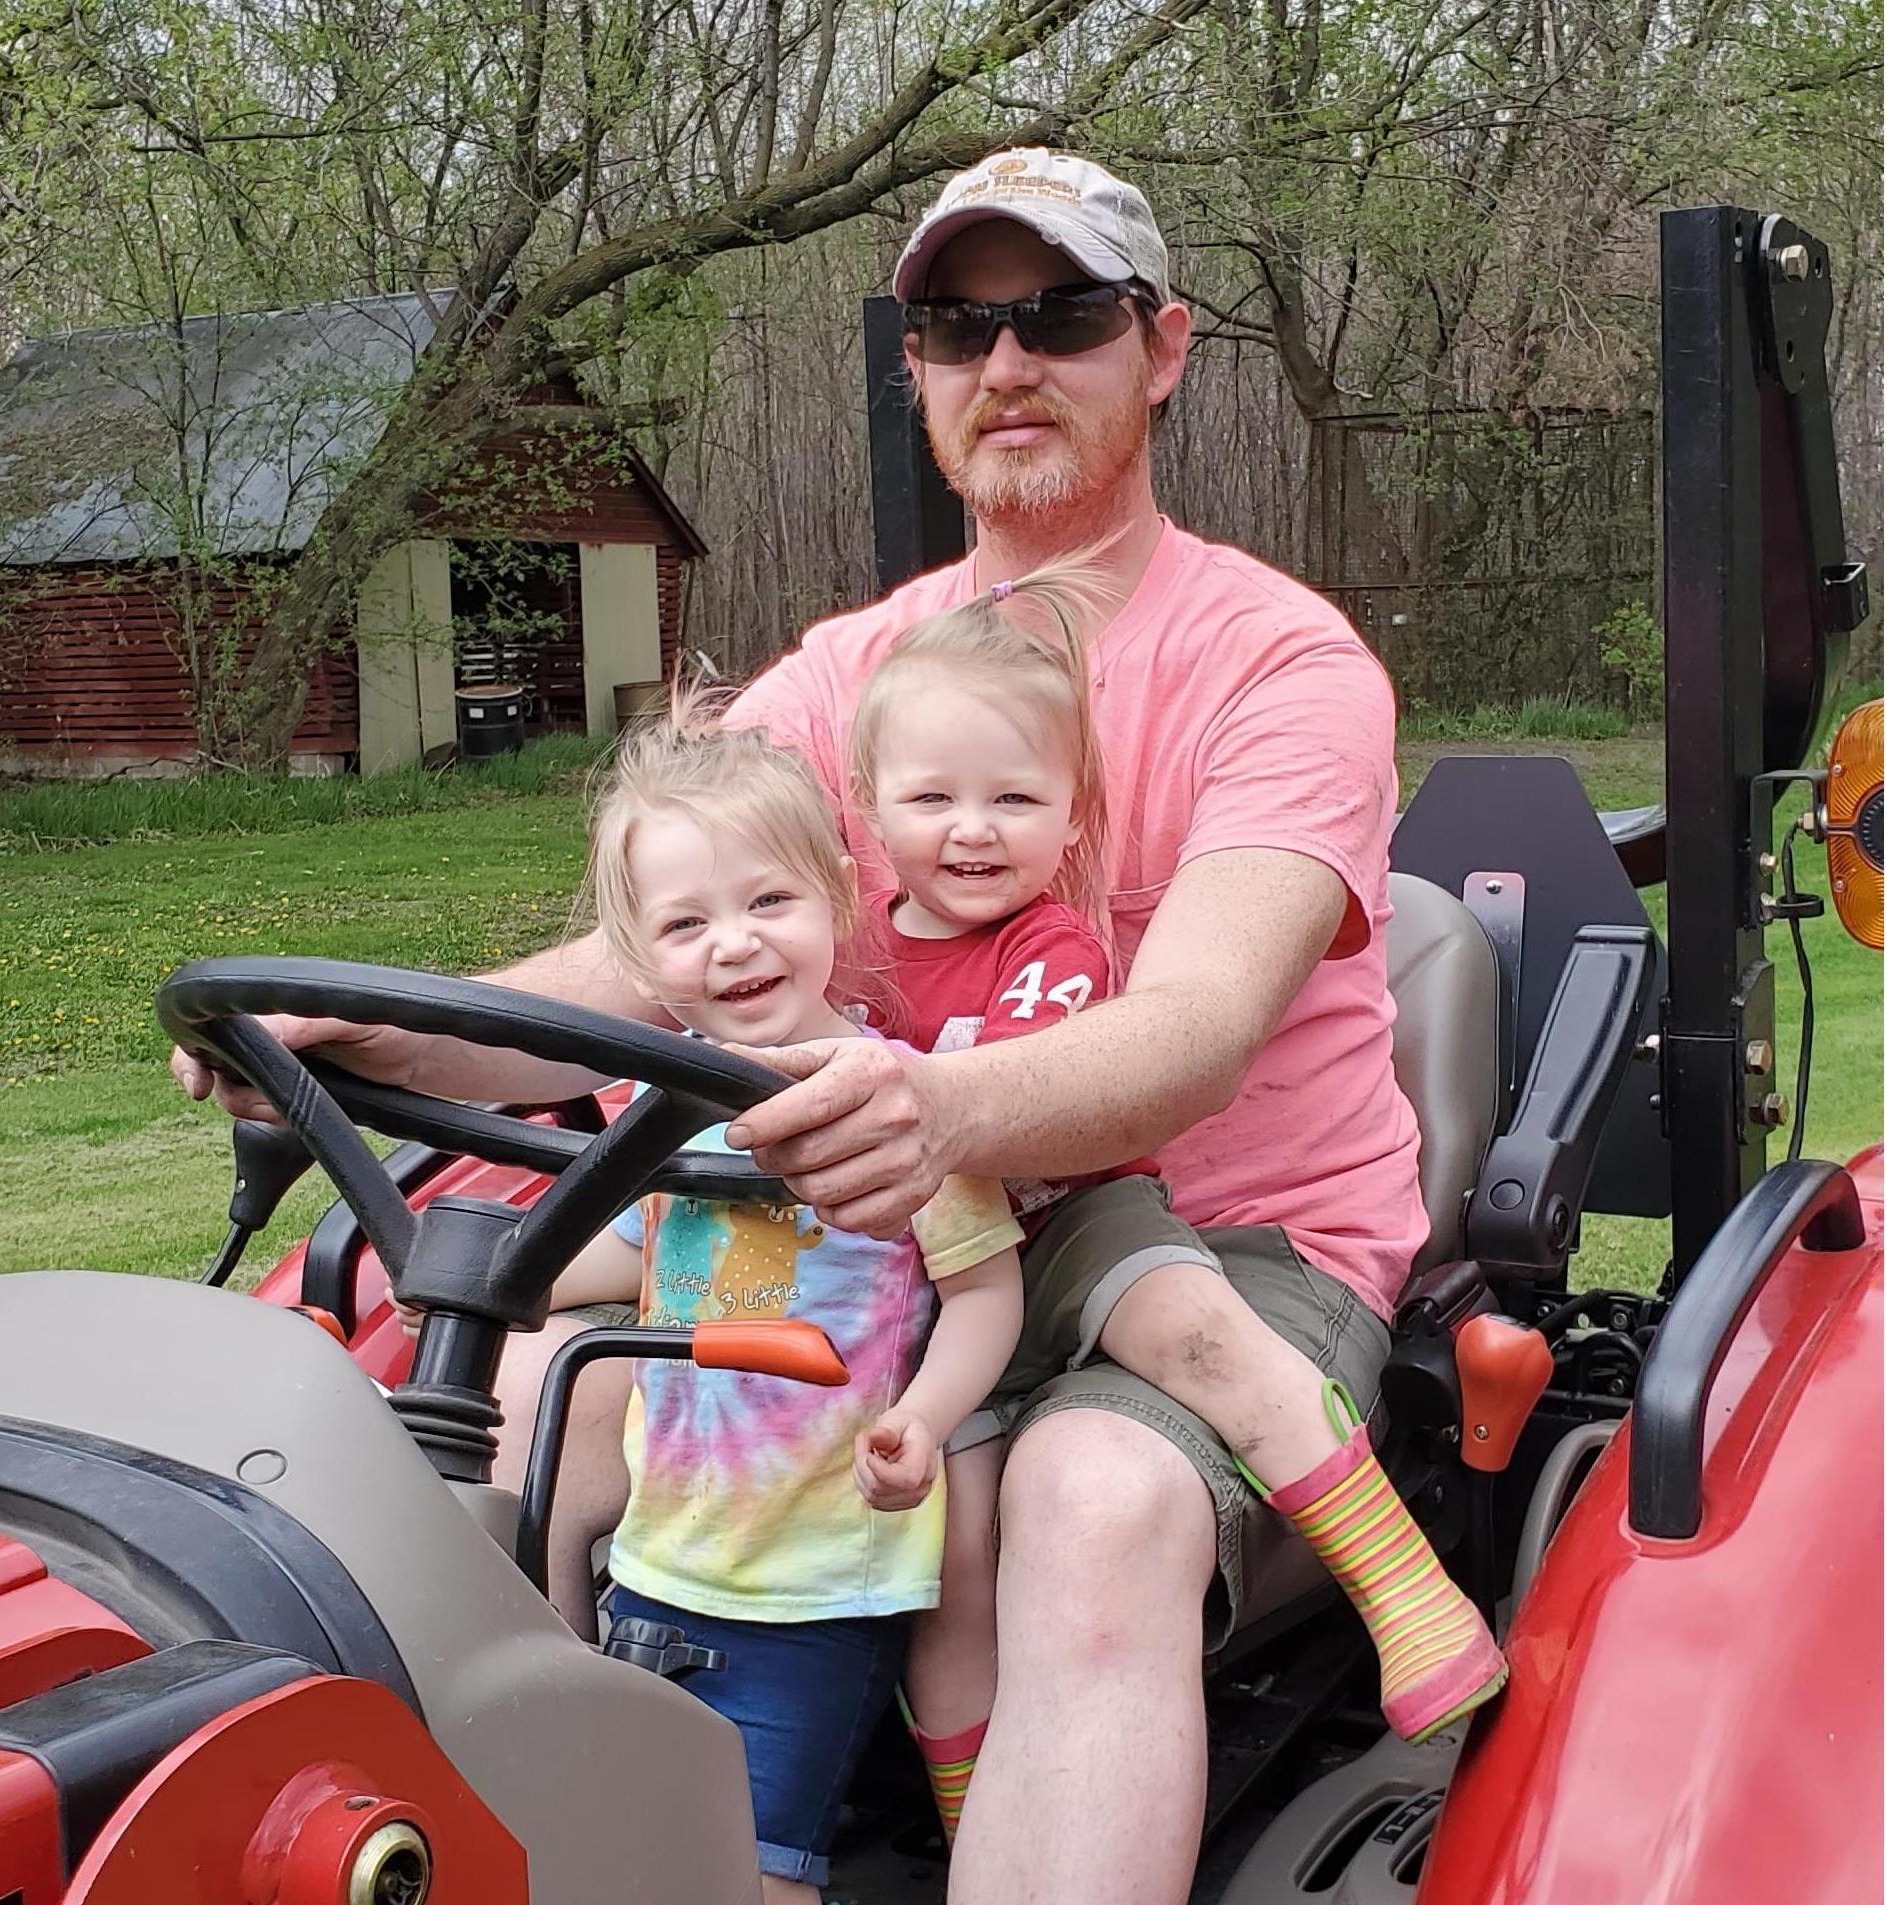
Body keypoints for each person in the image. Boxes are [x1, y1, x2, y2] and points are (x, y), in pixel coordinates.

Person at [174, 148, 1442, 1905]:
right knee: (515, 1407)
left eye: (1060, 318)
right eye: (955, 325)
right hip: (862, 1250)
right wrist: (352, 1039)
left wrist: (938, 1111)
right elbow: (649, 974)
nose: (1005, 365)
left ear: (1162, 349)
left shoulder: (1279, 666)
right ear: (916, 366)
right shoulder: (851, 677)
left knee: (1093, 1503)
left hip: (1207, 1254)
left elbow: (1202, 1028)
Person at [846, 553, 1502, 1839]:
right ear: (868, 809)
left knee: (1200, 1335)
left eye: (1014, 800)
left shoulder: (1053, 947)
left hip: (1080, 1222)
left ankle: (1403, 1590)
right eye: (934, 798)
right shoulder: (857, 961)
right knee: (949, 1562)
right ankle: (970, 1821)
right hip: (944, 1279)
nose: (974, 830)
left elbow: (1035, 1086)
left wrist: (896, 1093)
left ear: (1071, 817)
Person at [535, 707, 1024, 1903]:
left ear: (840, 900)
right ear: (640, 958)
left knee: (758, 1875)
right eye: (687, 923)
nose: (735, 946)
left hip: (812, 1583)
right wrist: (506, 1267)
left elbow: (984, 1294)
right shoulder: (661, 1111)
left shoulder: (895, 1106)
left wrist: (927, 1413)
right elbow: (647, 1254)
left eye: (769, 903)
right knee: (641, 1855)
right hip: (660, 1563)